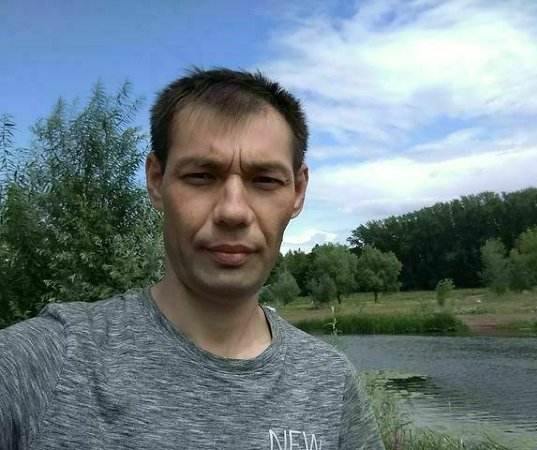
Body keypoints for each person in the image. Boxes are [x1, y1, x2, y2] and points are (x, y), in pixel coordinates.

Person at [0, 68, 385, 450]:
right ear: (156, 181)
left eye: (265, 180)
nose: (233, 211)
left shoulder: (330, 384)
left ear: (297, 192)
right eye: (201, 175)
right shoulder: (41, 365)